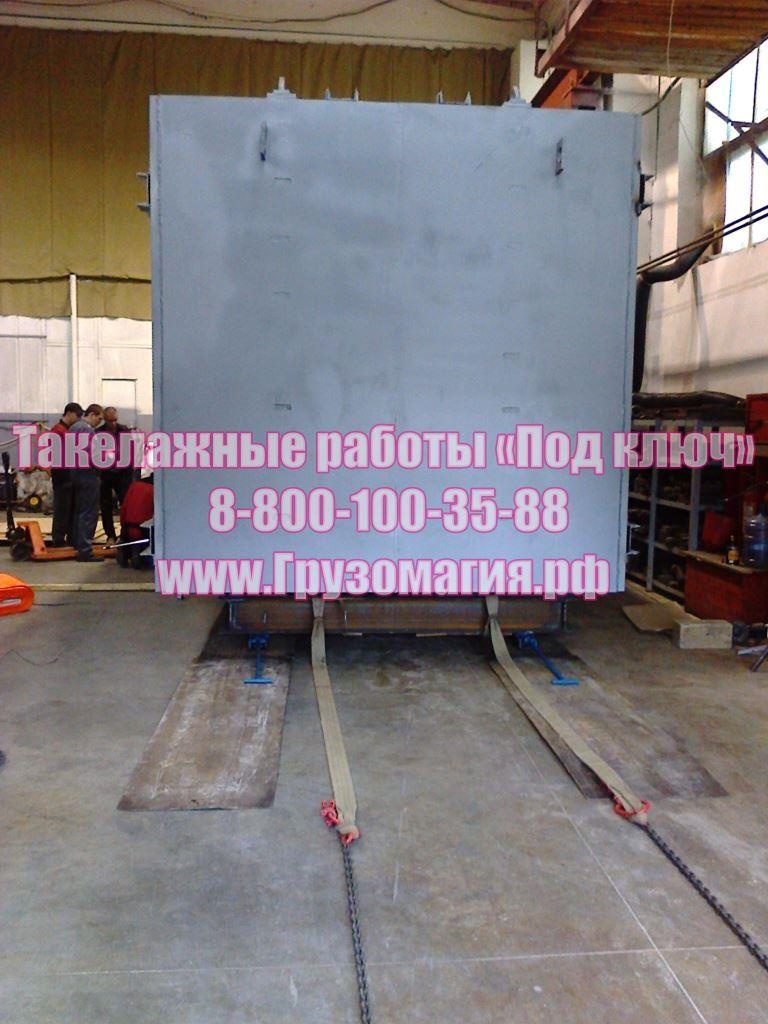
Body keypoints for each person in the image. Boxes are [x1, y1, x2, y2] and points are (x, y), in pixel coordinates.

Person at [70, 404, 104, 562]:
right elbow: (92, 455)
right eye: (99, 418)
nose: (100, 422)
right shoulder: (87, 430)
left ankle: (78, 544)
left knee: (80, 511)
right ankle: (85, 550)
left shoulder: (73, 428)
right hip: (88, 475)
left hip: (75, 474)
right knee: (89, 513)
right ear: (92, 414)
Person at [96, 406, 133, 543]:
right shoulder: (98, 433)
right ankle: (110, 535)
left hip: (123, 474)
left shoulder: (124, 431)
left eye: (115, 420)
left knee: (126, 504)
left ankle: (125, 534)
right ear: (105, 420)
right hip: (105, 474)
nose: (113, 423)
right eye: (110, 420)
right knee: (106, 506)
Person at [50, 402, 83, 547]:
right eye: (77, 415)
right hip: (62, 476)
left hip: (68, 475)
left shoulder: (64, 430)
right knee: (62, 510)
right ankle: (58, 540)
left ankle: (68, 538)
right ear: (69, 413)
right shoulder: (59, 431)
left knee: (69, 509)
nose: (78, 419)